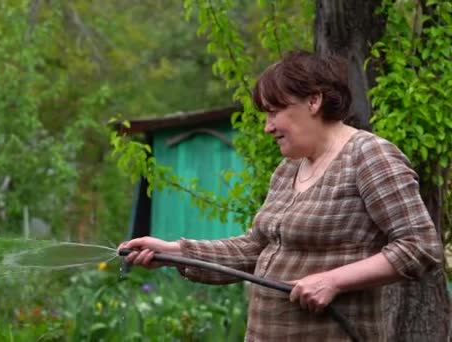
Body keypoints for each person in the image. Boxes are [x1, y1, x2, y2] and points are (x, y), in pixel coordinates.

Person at [118, 50, 443, 341]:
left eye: (274, 112)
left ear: (313, 101)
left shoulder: (369, 156)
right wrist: (174, 251)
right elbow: (254, 248)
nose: (267, 127)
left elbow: (420, 247)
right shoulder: (289, 169)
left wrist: (333, 280)